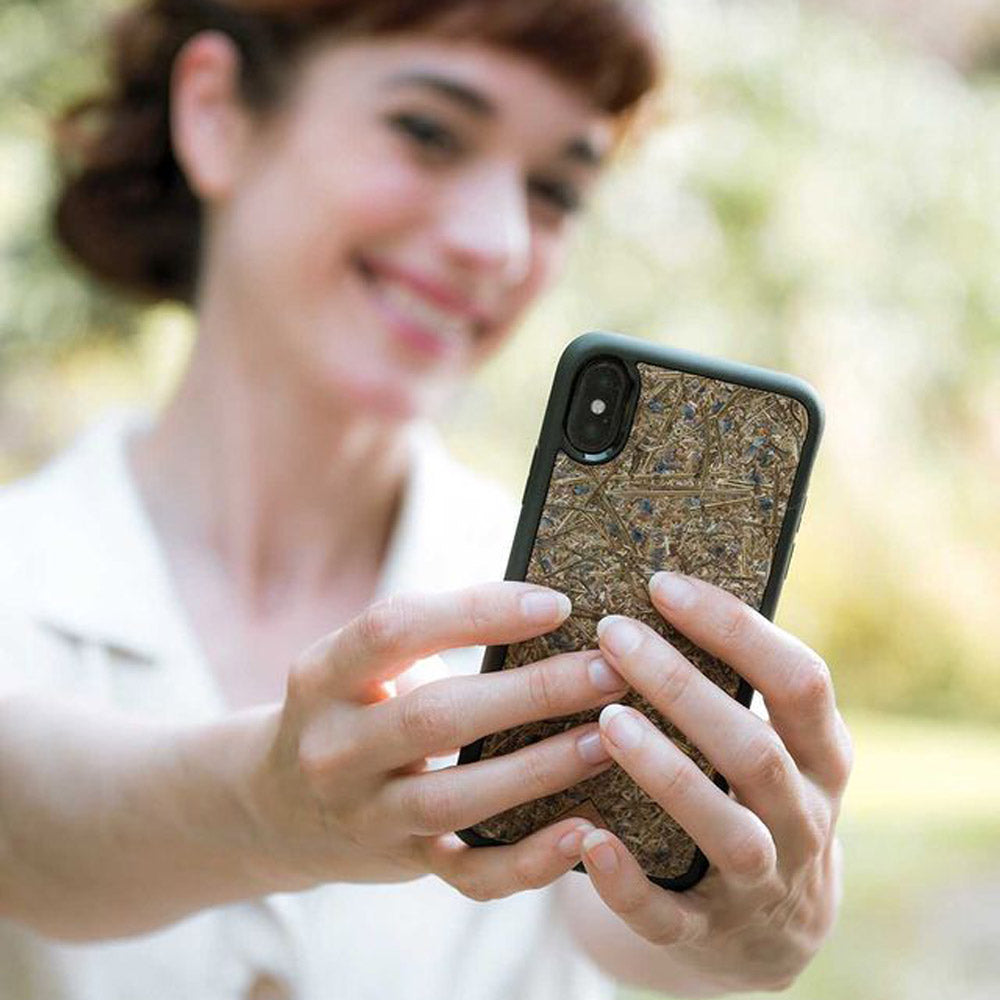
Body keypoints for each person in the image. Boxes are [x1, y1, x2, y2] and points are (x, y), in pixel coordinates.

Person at [0, 0, 853, 997]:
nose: (497, 243)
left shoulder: (577, 613)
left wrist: (738, 918)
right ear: (217, 113)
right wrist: (262, 808)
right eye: (429, 132)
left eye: (553, 190)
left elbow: (631, 919)